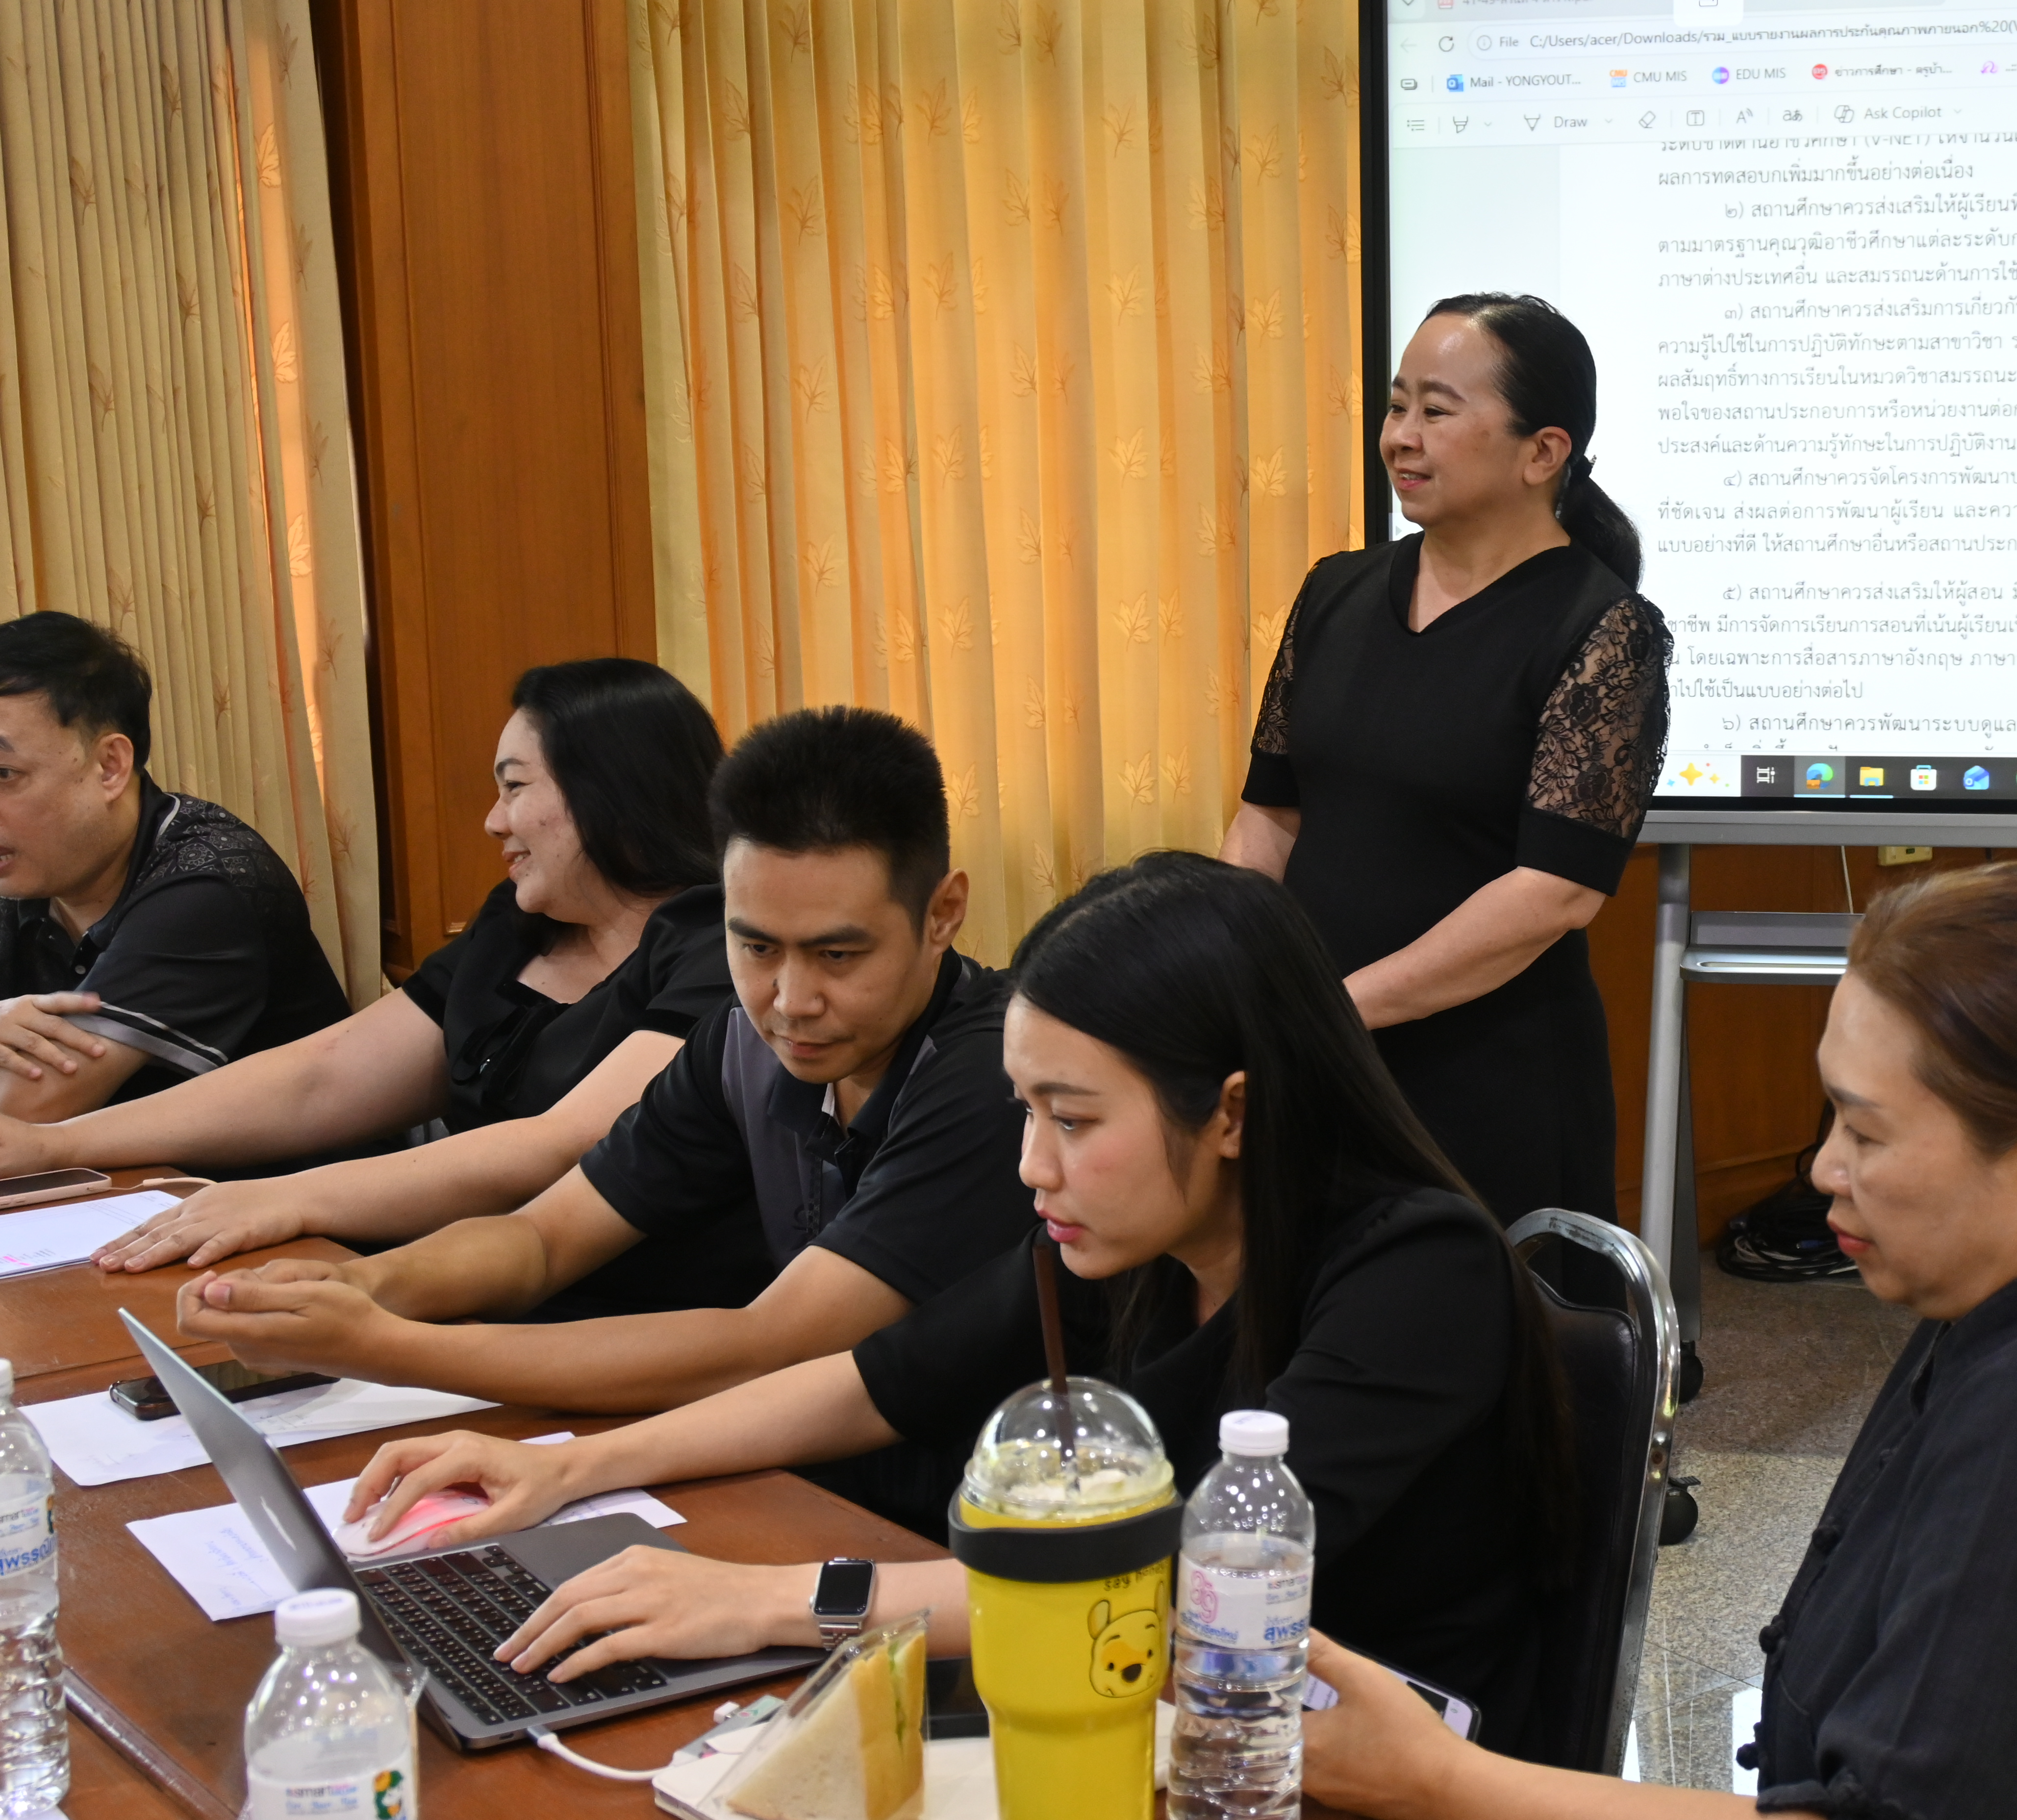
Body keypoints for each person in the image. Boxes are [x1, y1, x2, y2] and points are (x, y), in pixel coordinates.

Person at [336, 852, 1573, 1749]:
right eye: (1025, 1111)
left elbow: (1185, 1576)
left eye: (1072, 1119)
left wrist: (772, 1598)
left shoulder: (1420, 1271)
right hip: (1137, 1710)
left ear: (1233, 1111)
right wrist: (575, 1465)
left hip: (1343, 1756)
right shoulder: (1136, 1241)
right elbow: (878, 1379)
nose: (1034, 1165)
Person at [1298, 863, 2017, 1820]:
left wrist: (1440, 1775)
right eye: (1833, 1115)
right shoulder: (1999, 1307)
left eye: (1866, 1133)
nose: (1826, 1167)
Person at [171, 708, 1040, 1451]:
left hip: (954, 1513)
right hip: (778, 1460)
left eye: (838, 955)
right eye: (755, 946)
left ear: (943, 913)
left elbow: (769, 1345)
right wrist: (362, 1288)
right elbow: (541, 1241)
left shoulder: (997, 1076)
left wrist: (383, 1346)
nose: (789, 1000)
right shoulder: (738, 1043)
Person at [32, 660, 734, 1316]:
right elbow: (325, 1075)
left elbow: (561, 1144)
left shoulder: (723, 948)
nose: (493, 820)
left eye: (515, 788)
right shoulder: (518, 925)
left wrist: (288, 1199)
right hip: (448, 1287)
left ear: (613, 792)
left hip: (631, 1321)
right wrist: (56, 1146)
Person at [1219, 293, 1671, 1225]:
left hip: (1486, 1077)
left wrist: (1337, 1011)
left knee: (1473, 1307)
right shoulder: (1334, 590)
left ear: (1542, 453)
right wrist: (1240, 978)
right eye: (1396, 406)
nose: (1401, 437)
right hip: (1315, 1055)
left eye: (1436, 410)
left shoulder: (1603, 631)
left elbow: (1554, 891)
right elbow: (1270, 813)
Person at [0, 611, 347, 1121]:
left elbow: (27, 1106)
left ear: (110, 766)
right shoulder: (25, 871)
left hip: (286, 1172)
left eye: (4, 774)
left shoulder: (208, 886)